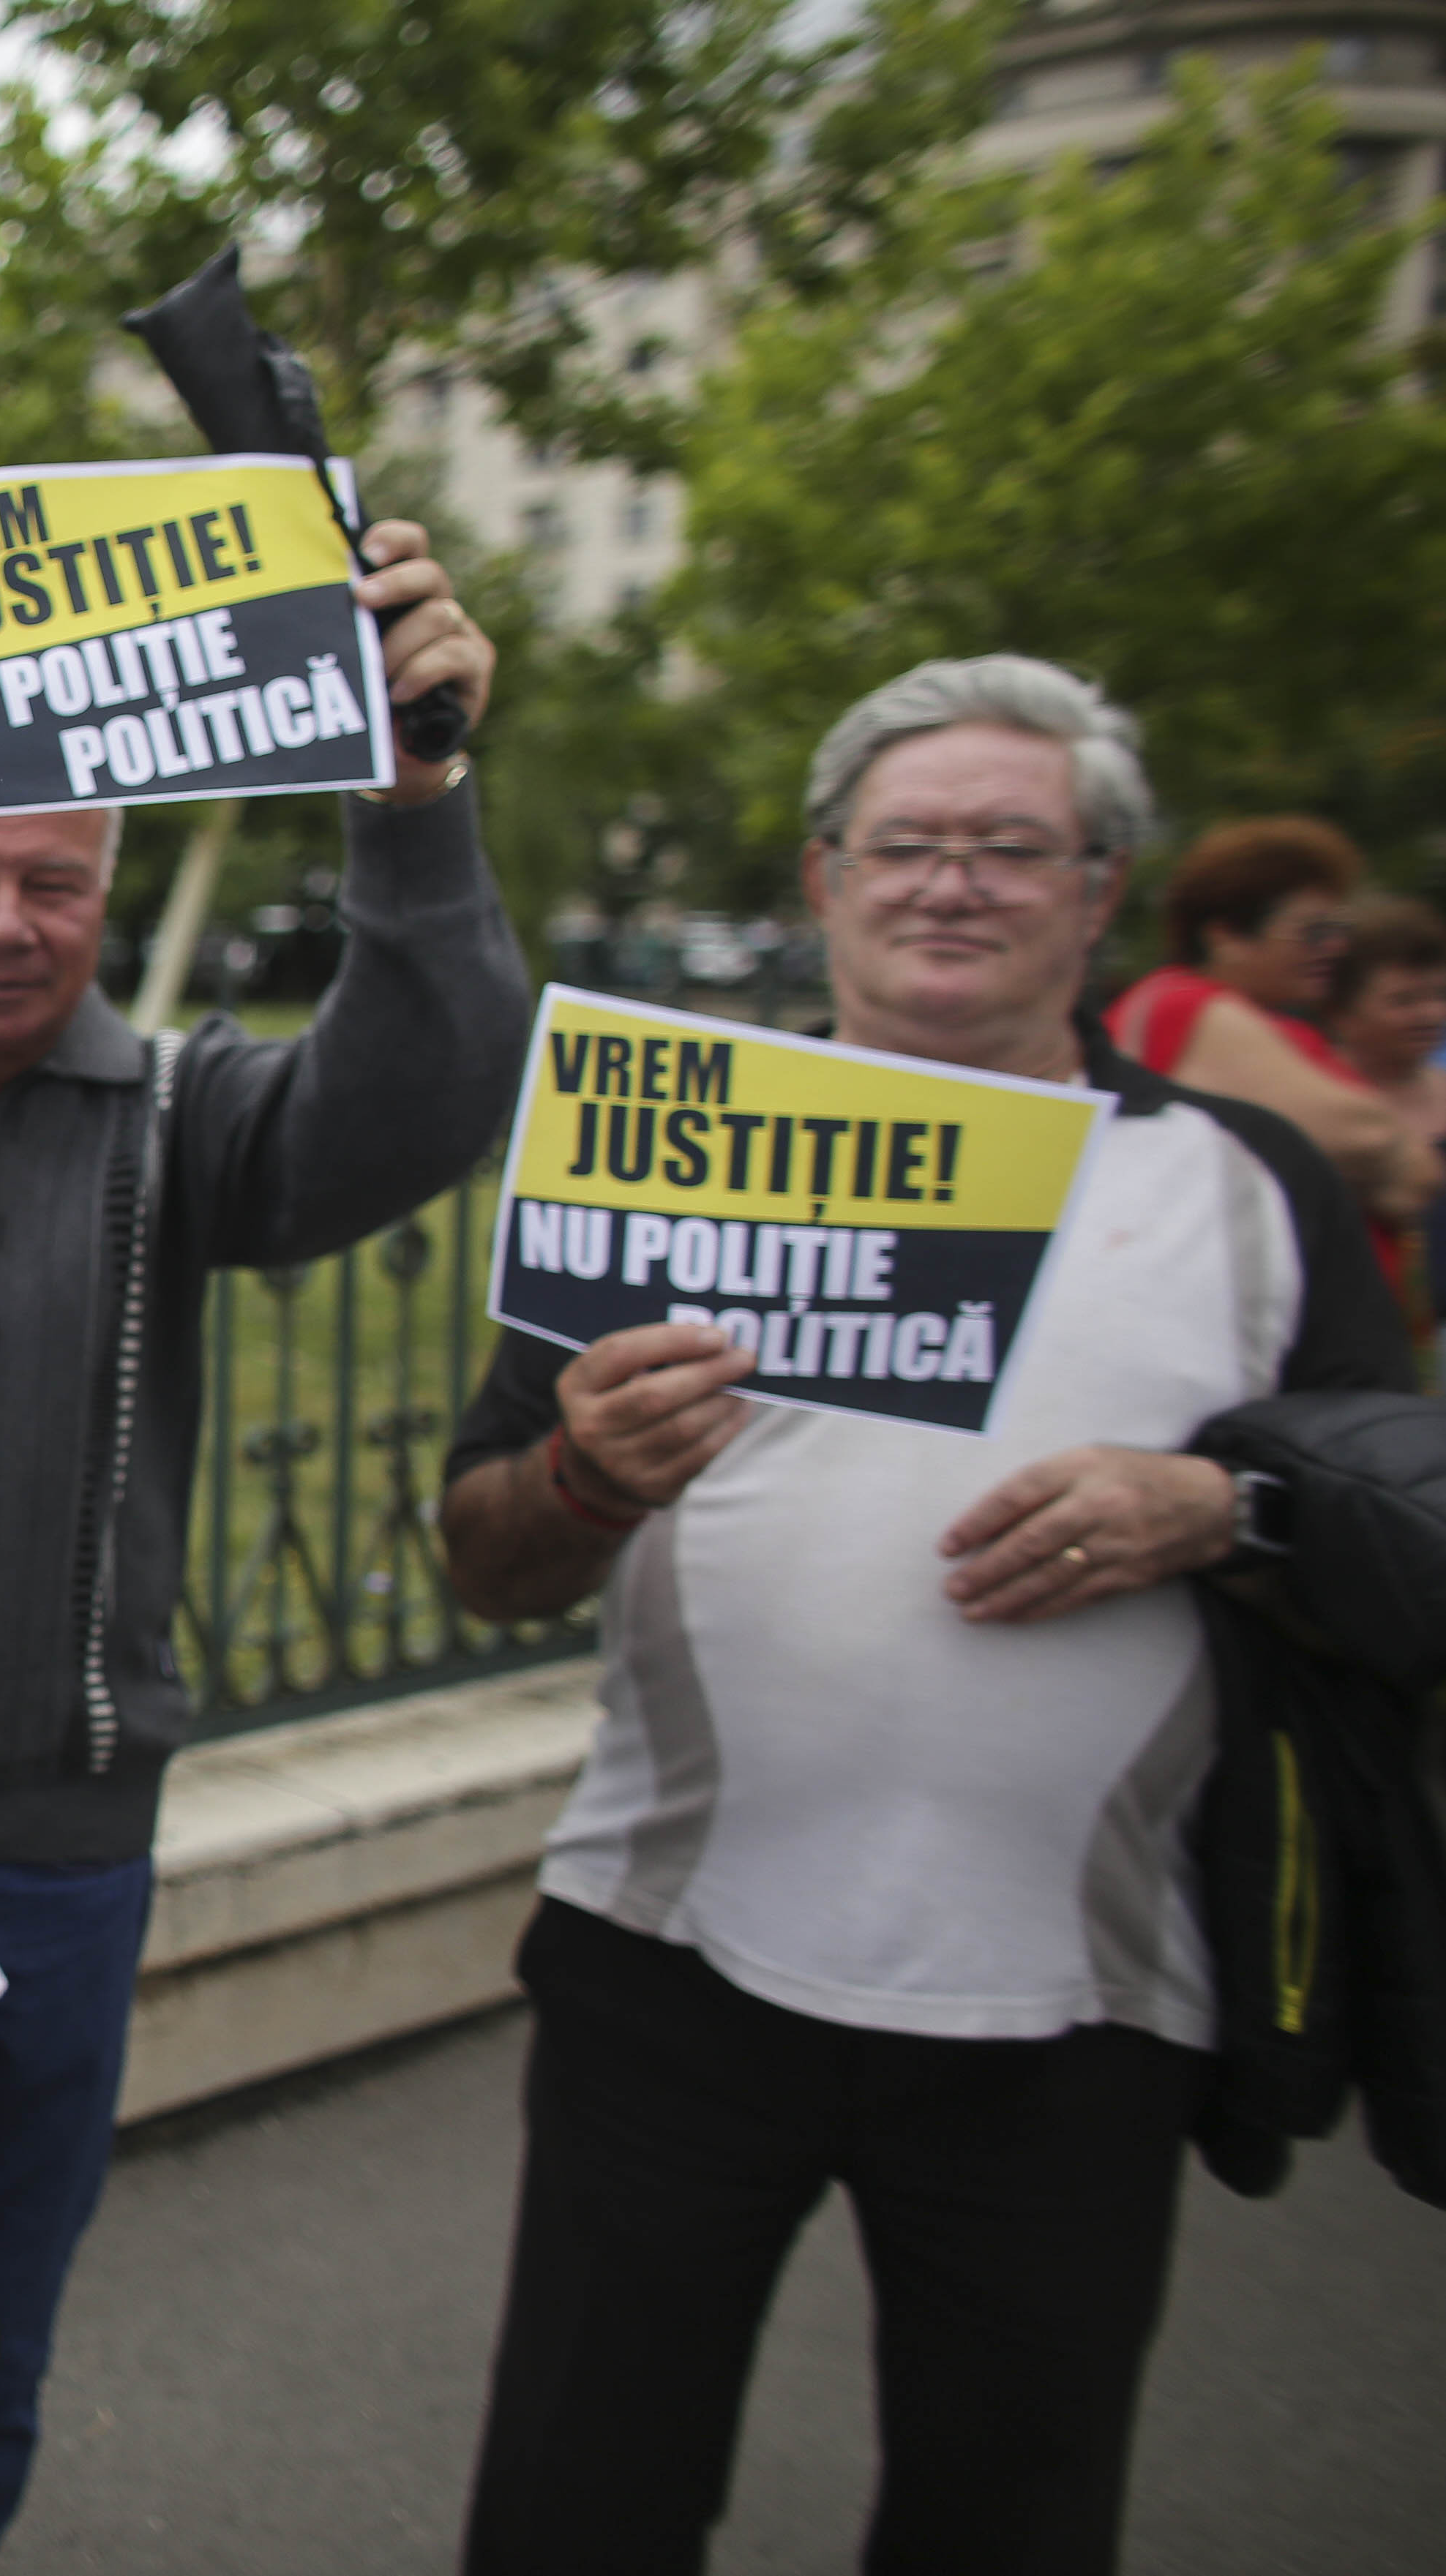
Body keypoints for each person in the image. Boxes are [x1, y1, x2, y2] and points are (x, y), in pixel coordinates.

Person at [435, 656, 1415, 2575]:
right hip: (674, 1957)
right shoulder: (674, 1150)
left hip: (1082, 1997)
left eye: (1007, 847)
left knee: (1010, 2505)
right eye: (904, 846)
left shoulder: (1244, 1183)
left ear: (1098, 887)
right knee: (578, 2489)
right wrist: (588, 1474)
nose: (949, 885)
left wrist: (1223, 1501)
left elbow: (1399, 1518)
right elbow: (483, 1555)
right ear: (821, 881)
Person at [0, 525, 524, 2573]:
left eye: (59, 883)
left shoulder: (177, 1119)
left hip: (47, 1850)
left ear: (113, 895)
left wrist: (413, 804)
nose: (11, 925)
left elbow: (417, 1088)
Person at [1106, 817, 1439, 1250]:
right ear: (1225, 936)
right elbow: (1367, 1141)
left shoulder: (1242, 1014)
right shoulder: (1187, 1004)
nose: (1335, 947)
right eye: (1314, 932)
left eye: (1339, 930)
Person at [1325, 895, 1446, 1348]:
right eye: (1404, 1001)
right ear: (1342, 1013)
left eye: (1439, 995)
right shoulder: (1325, 1106)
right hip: (1369, 1341)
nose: (1431, 1015)